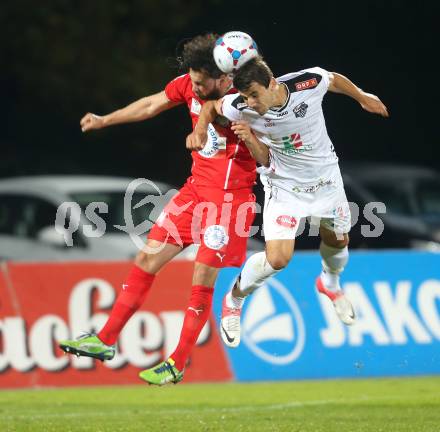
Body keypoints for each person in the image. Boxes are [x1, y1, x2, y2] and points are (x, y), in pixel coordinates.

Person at [59, 34, 257, 384]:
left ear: (223, 77)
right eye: (192, 81)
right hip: (194, 191)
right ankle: (105, 339)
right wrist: (105, 120)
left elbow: (228, 120)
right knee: (147, 258)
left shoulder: (244, 99)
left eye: (200, 81)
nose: (194, 87)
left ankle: (177, 363)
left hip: (228, 201)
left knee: (201, 280)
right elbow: (151, 104)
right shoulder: (190, 86)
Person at [189, 57, 388, 348]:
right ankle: (234, 299)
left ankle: (329, 284)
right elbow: (211, 108)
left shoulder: (306, 83)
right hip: (284, 187)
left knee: (338, 240)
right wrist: (201, 131)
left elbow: (332, 77)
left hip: (326, 182)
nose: (251, 103)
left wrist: (362, 96)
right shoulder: (240, 107)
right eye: (245, 97)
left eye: (255, 95)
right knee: (278, 259)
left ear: (272, 84)